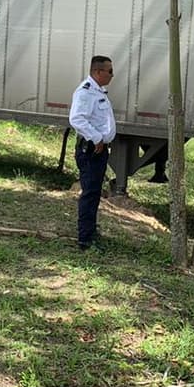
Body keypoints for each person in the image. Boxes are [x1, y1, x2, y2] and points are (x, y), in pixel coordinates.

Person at [69, 55, 116, 250]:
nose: (112, 75)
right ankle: (85, 239)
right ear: (98, 72)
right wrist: (96, 137)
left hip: (98, 150)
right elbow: (77, 119)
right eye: (110, 71)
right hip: (90, 150)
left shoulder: (98, 91)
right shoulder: (86, 92)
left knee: (95, 192)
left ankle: (90, 231)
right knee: (90, 193)